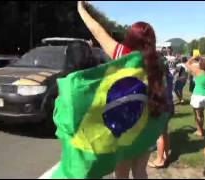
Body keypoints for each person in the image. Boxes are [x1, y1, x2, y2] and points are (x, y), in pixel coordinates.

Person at [77, 1, 167, 178]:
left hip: (126, 127)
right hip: (147, 127)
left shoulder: (122, 54)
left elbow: (97, 30)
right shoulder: (158, 64)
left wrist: (81, 8)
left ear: (130, 38)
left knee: (121, 173)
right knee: (140, 171)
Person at [186, 56, 205, 137]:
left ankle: (200, 131)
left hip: (198, 95)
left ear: (201, 65)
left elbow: (187, 64)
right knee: (201, 114)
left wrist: (193, 57)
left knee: (198, 115)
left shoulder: (199, 72)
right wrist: (202, 58)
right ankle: (199, 129)